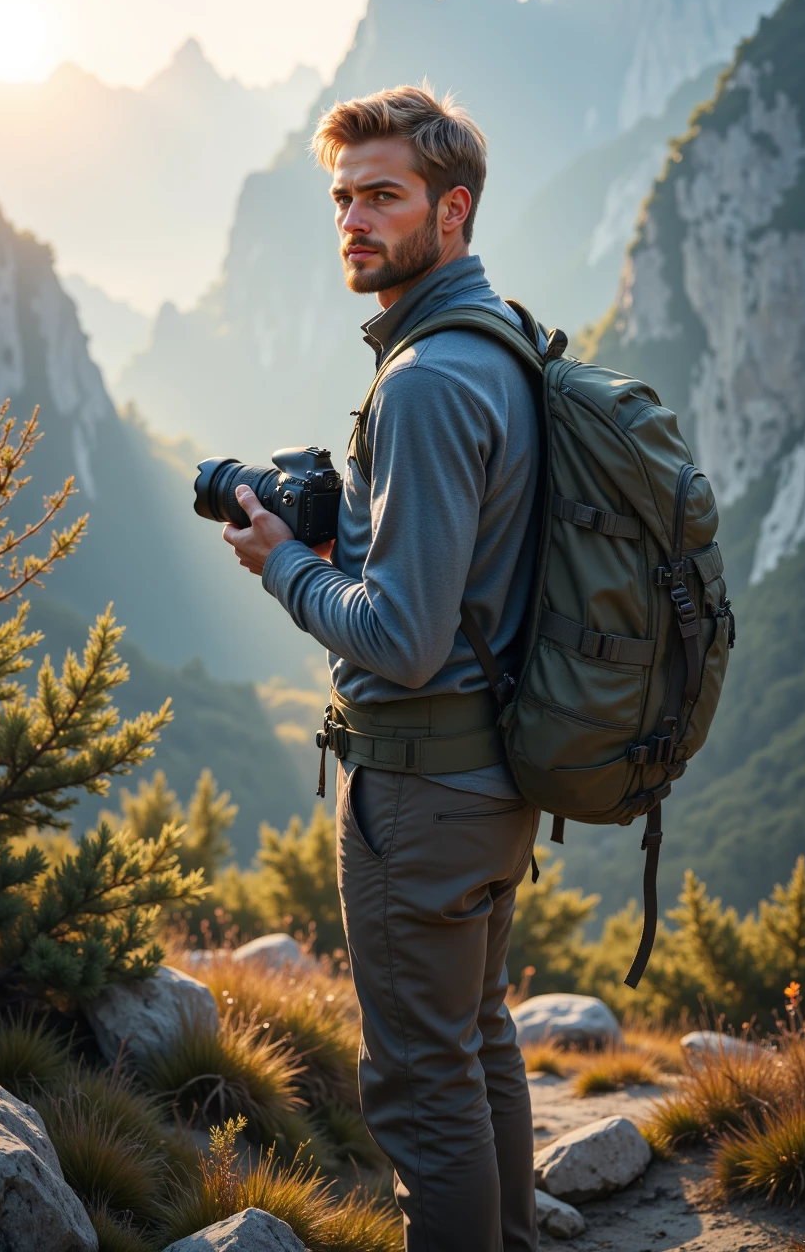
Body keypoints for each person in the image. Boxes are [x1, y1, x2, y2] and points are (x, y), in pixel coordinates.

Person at [220, 84, 540, 1252]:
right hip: (498, 778)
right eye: (342, 197)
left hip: (421, 788)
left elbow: (402, 641)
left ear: (450, 212)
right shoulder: (497, 341)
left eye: (383, 197)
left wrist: (282, 566)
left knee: (418, 1086)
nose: (354, 220)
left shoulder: (422, 382)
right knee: (478, 1042)